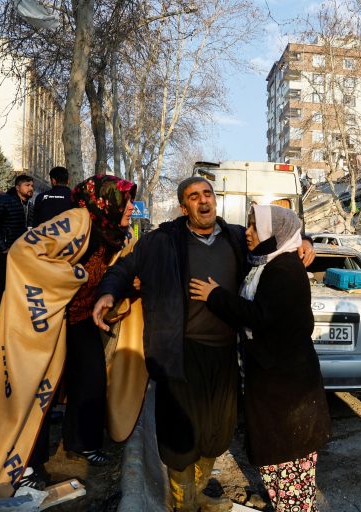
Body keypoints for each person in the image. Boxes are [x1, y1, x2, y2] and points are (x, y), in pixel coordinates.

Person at [93, 176, 314, 512]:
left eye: (207, 193)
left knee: (217, 433)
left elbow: (279, 233)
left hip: (225, 355)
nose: (203, 200)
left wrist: (306, 240)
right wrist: (108, 292)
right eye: (194, 196)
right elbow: (124, 268)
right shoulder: (161, 241)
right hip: (180, 354)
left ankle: (196, 494)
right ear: (184, 208)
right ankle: (183, 503)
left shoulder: (236, 237)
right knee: (181, 438)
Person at [0, 175, 146, 498]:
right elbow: (22, 253)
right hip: (44, 318)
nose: (130, 209)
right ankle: (26, 462)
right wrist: (73, 276)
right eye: (125, 202)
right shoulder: (75, 220)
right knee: (33, 388)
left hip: (79, 316)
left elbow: (114, 273)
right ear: (105, 201)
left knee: (92, 377)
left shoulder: (115, 233)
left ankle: (83, 442)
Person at [189, 205, 331, 512]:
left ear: (274, 234)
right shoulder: (266, 263)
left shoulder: (285, 270)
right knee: (281, 468)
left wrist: (215, 297)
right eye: (250, 225)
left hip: (288, 394)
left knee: (290, 468)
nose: (249, 233)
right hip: (276, 388)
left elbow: (262, 317)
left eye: (255, 227)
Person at [0, 174, 34, 325]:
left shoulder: (28, 204)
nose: (31, 188)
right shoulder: (3, 201)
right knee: (2, 283)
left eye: (32, 186)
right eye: (27, 185)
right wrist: (3, 247)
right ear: (17, 187)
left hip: (22, 252)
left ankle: (14, 318)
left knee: (19, 285)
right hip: (5, 251)